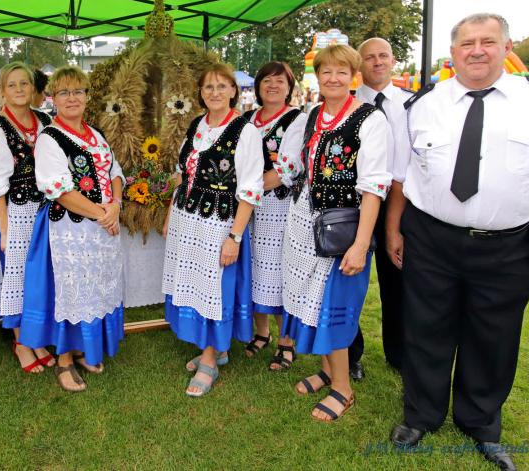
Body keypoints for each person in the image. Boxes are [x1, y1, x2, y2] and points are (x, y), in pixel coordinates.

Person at [386, 14, 529, 470]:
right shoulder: (422, 105)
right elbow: (402, 176)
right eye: (467, 43)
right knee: (425, 329)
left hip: (508, 246)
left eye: (487, 41)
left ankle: (480, 423)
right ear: (453, 52)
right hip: (432, 239)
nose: (476, 50)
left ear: (507, 47)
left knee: (495, 335)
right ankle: (421, 415)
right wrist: (393, 229)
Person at [275, 44, 390, 421]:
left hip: (343, 230)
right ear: (317, 76)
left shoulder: (369, 119)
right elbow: (296, 167)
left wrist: (360, 244)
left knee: (333, 307)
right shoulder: (313, 115)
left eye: (342, 71)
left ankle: (343, 388)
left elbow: (374, 188)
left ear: (354, 76)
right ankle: (328, 371)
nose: (334, 78)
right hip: (305, 224)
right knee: (310, 301)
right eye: (326, 71)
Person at [19, 65, 125, 392]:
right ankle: (64, 360)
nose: (72, 98)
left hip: (102, 227)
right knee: (71, 291)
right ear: (53, 98)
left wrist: (116, 204)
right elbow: (59, 190)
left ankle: (82, 350)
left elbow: (115, 172)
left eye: (78, 91)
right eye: (63, 92)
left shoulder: (96, 134)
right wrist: (103, 215)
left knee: (95, 287)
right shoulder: (50, 138)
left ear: (87, 96)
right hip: (70, 229)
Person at [162, 63, 263, 397]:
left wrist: (234, 237)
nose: (215, 92)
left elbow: (250, 190)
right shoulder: (197, 124)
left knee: (213, 290)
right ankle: (214, 349)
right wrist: (170, 215)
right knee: (194, 284)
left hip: (219, 224)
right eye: (208, 87)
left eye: (222, 86)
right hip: (187, 220)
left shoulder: (245, 131)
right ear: (201, 93)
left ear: (234, 91)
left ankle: (210, 359)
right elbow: (183, 174)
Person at [0, 63, 54, 374]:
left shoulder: (45, 120)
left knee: (40, 275)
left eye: (24, 83)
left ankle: (37, 336)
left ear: (33, 88)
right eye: (12, 85)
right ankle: (22, 342)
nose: (20, 89)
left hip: (46, 210)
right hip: (14, 213)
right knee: (18, 277)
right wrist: (5, 229)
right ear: (2, 91)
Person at [345, 37, 411, 380]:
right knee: (349, 281)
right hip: (355, 204)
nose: (377, 62)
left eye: (383, 55)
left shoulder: (413, 104)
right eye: (369, 57)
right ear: (360, 65)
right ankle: (350, 353)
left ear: (393, 60)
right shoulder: (348, 105)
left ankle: (398, 353)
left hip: (400, 204)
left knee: (397, 281)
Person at [242, 62, 303, 371]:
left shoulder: (296, 119)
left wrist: (246, 189)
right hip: (247, 208)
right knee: (253, 269)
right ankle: (262, 332)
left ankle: (286, 341)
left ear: (289, 87)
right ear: (258, 86)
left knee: (279, 272)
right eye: (267, 80)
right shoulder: (247, 119)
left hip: (278, 208)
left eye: (280, 81)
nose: (273, 85)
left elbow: (287, 168)